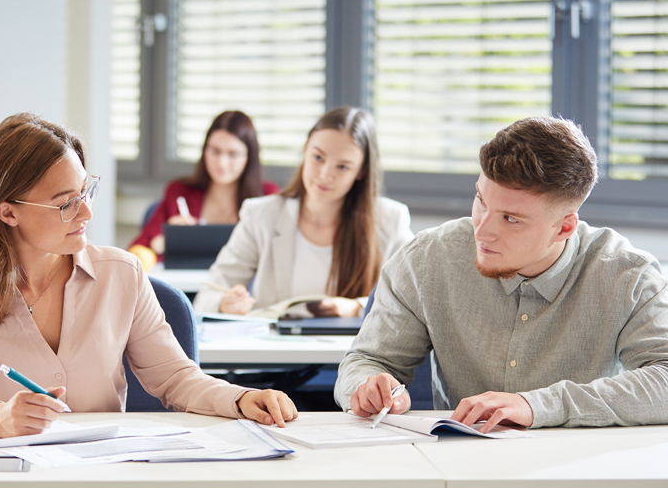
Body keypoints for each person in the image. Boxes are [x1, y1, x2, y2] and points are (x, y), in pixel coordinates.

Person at [0, 113, 297, 437]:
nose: (87, 213)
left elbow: (176, 378)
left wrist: (240, 399)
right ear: (8, 213)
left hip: (102, 471)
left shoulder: (122, 274)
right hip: (2, 471)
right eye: (65, 204)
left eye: (85, 192)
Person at [334, 116, 668, 431]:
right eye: (480, 200)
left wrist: (537, 406)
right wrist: (366, 386)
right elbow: (366, 361)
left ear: (564, 227)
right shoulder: (426, 259)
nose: (482, 231)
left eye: (511, 219)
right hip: (460, 461)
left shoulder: (628, 275)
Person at [193, 107, 413, 317]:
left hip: (353, 354)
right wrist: (224, 303)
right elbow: (207, 297)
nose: (325, 174)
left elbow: (414, 300)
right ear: (305, 150)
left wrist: (356, 307)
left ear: (361, 171)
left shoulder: (390, 220)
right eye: (318, 158)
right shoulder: (261, 214)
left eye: (343, 167)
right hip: (274, 352)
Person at [129, 110, 279, 263]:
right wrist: (169, 239)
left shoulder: (266, 196)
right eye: (215, 151)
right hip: (187, 284)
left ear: (249, 157)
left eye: (233, 154)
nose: (222, 163)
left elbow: (277, 254)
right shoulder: (180, 192)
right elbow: (135, 254)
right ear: (204, 151)